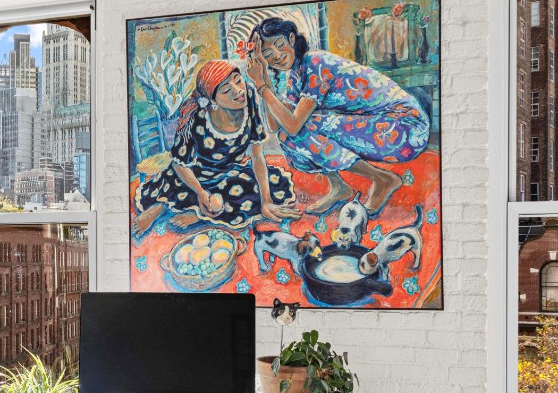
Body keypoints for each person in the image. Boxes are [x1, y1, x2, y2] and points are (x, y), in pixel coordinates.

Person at [245, 17, 430, 216]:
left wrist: (262, 87)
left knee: (302, 127)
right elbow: (275, 125)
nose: (277, 55)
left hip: (405, 127)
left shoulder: (316, 62)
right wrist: (263, 77)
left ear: (291, 38)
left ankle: (382, 179)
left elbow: (292, 125)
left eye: (280, 45)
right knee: (291, 134)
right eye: (267, 53)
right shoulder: (296, 75)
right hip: (384, 128)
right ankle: (339, 188)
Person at [132, 59, 299, 237]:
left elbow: (257, 157)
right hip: (193, 174)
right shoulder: (195, 117)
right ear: (212, 101)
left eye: (238, 80)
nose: (238, 91)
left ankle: (198, 212)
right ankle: (163, 206)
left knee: (262, 187)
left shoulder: (249, 95)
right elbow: (180, 164)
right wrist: (201, 192)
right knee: (176, 184)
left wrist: (266, 201)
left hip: (228, 172)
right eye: (226, 90)